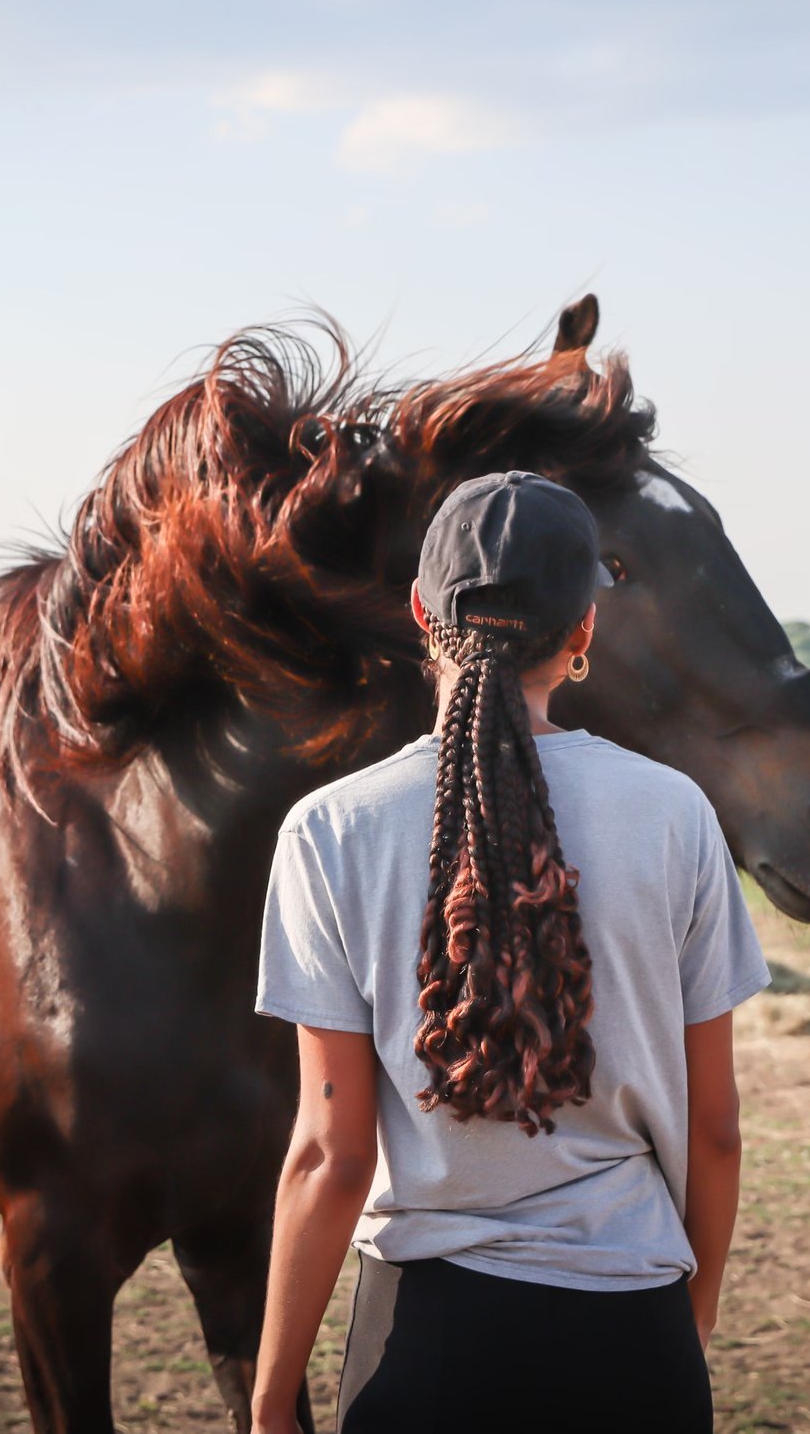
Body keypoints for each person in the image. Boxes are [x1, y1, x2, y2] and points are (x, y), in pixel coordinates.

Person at [250, 470, 772, 1434]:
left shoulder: (328, 832)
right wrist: (687, 1321)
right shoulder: (674, 815)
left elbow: (330, 1152)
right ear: (582, 631)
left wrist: (272, 1392)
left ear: (419, 611)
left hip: (423, 1345)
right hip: (633, 1333)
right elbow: (716, 1131)